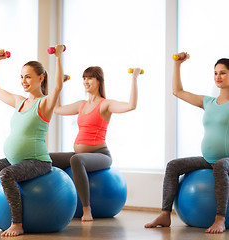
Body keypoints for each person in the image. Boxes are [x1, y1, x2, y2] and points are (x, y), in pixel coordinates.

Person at [0, 45, 64, 237]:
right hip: (14, 160)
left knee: (6, 175)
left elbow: (58, 86)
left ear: (41, 78)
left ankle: (17, 223)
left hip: (38, 162)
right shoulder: (19, 102)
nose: (23, 81)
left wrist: (58, 57)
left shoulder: (43, 103)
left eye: (28, 76)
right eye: (21, 76)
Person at [145, 53, 229, 234]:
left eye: (223, 73)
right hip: (208, 159)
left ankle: (220, 219)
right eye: (215, 73)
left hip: (226, 161)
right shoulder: (208, 102)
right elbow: (178, 92)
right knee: (173, 165)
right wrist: (176, 65)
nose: (218, 77)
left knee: (221, 165)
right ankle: (165, 214)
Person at [50, 66, 141, 221]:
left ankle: (86, 209)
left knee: (76, 160)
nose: (86, 81)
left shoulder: (105, 104)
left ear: (99, 81)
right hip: (81, 154)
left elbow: (131, 106)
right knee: (48, 157)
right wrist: (60, 86)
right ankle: (55, 204)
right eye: (84, 78)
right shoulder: (81, 105)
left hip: (100, 155)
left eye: (90, 78)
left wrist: (134, 78)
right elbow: (57, 109)